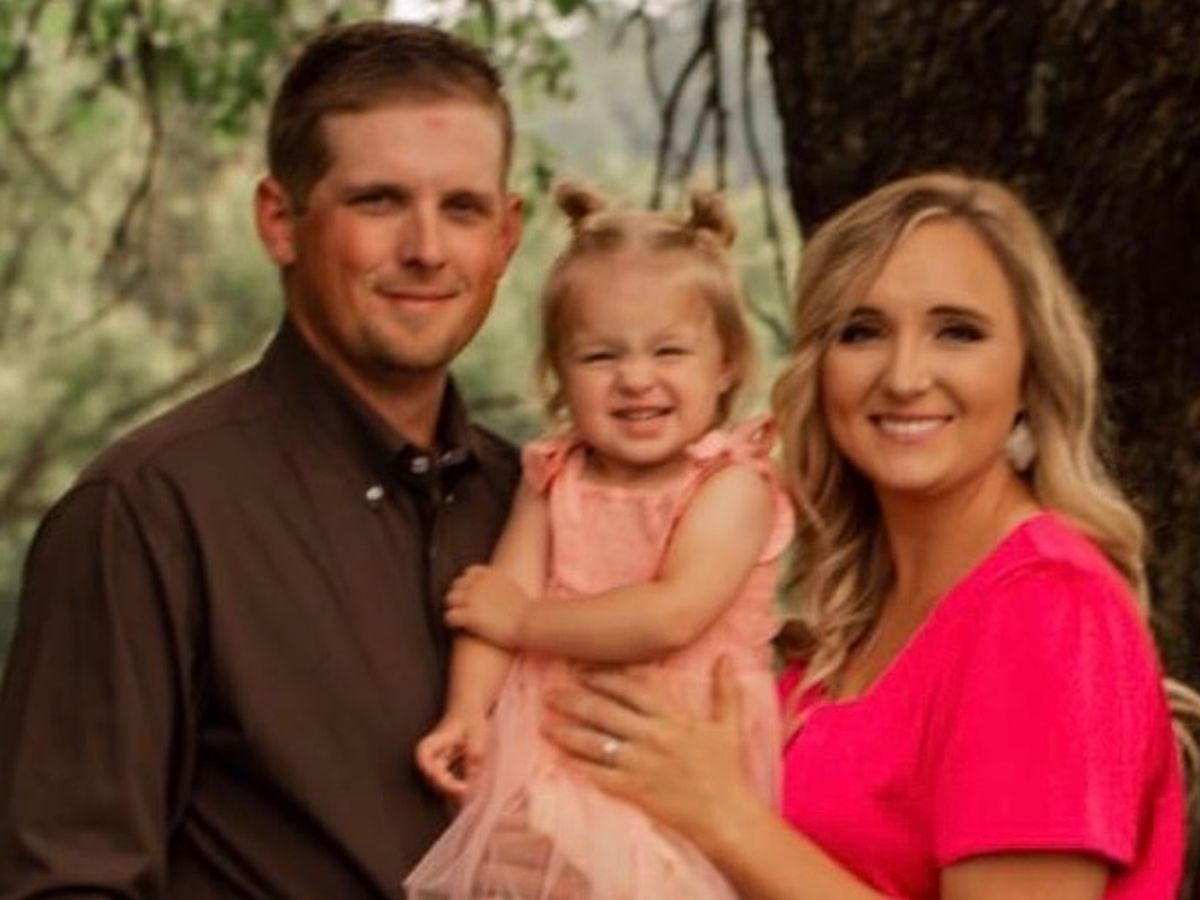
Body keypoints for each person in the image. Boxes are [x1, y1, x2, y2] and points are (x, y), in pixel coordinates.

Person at [545, 171, 1191, 898]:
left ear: (1029, 372)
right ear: (819, 369)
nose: (905, 377)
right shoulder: (851, 621)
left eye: (958, 332)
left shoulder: (1047, 609)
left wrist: (725, 819)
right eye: (862, 332)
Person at [0, 21, 524, 897]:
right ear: (280, 221)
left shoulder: (540, 501)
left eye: (462, 208)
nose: (427, 249)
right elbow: (68, 880)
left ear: (507, 234)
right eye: (379, 202)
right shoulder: (148, 511)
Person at [403, 182, 794, 899]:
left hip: (676, 748)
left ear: (726, 365)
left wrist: (525, 622)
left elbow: (670, 615)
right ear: (559, 373)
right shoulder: (556, 474)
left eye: (669, 351)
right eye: (600, 357)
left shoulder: (732, 484)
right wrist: (466, 710)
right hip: (550, 741)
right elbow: (497, 597)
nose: (636, 379)